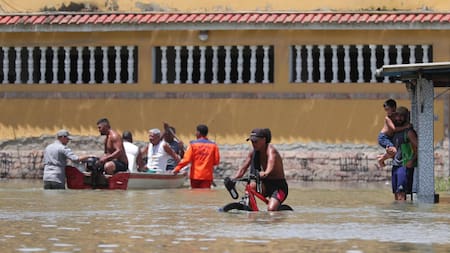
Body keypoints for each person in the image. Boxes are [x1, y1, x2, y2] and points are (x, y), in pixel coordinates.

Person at [232, 128, 288, 211]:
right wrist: (233, 179)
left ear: (264, 140)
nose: (253, 144)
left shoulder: (271, 150)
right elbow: (243, 168)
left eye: (255, 141)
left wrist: (265, 173)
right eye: (252, 142)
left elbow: (271, 163)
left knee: (271, 209)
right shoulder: (253, 152)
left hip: (279, 187)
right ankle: (252, 211)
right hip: (265, 184)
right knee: (251, 186)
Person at [173, 124, 220, 189]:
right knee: (206, 195)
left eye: (196, 132)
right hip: (207, 176)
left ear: (198, 133)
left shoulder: (193, 145)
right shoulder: (214, 146)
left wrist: (177, 169)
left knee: (195, 195)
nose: (195, 133)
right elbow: (216, 162)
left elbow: (186, 160)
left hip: (195, 176)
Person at [389, 106, 418, 201]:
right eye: (396, 115)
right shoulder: (395, 131)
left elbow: (419, 148)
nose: (398, 118)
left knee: (401, 194)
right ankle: (398, 215)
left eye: (401, 116)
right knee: (396, 194)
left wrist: (412, 161)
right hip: (395, 165)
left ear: (406, 117)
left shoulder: (409, 132)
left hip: (404, 165)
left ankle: (403, 214)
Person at [377, 99, 411, 167]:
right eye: (385, 110)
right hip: (384, 138)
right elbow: (394, 129)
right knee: (394, 151)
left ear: (394, 108)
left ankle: (382, 157)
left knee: (395, 153)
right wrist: (406, 127)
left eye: (388, 109)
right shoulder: (387, 118)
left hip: (390, 137)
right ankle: (381, 159)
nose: (387, 112)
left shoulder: (396, 115)